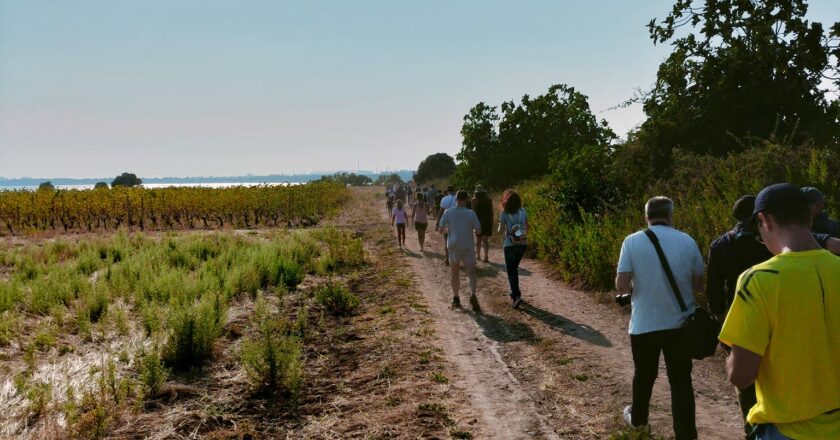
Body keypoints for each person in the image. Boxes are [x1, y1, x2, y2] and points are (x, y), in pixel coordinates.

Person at [720, 183, 840, 440]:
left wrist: (730, 355)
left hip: (787, 430)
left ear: (764, 220)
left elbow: (741, 375)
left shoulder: (760, 279)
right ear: (809, 216)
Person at [616, 196, 703, 440]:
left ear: (647, 216)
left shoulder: (631, 241)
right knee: (680, 380)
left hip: (644, 323)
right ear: (671, 215)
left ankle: (639, 421)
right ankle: (685, 434)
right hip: (680, 324)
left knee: (644, 375)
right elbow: (698, 285)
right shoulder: (687, 241)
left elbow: (622, 285)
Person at [438, 190, 481, 309]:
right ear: (467, 200)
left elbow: (441, 230)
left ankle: (456, 299)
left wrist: (449, 230)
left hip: (454, 246)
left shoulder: (448, 212)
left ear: (456, 199)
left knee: (455, 273)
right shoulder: (471, 213)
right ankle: (473, 295)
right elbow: (478, 231)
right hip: (468, 246)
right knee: (471, 273)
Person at [498, 190, 527, 308]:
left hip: (509, 245)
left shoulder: (504, 213)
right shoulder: (523, 212)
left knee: (511, 271)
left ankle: (516, 295)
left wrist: (501, 227)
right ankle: (515, 293)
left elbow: (500, 231)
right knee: (514, 268)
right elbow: (527, 227)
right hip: (522, 244)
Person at [436, 185, 458, 265]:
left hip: (446, 223)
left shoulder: (444, 199)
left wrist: (437, 222)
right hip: (456, 222)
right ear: (454, 190)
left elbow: (441, 211)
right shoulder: (457, 198)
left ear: (447, 191)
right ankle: (455, 259)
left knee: (446, 240)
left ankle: (447, 258)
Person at [472, 185, 493, 263]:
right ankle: (486, 257)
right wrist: (492, 220)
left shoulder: (474, 200)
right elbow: (492, 211)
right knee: (485, 240)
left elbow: (473, 212)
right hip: (487, 220)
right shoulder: (489, 199)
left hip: (478, 220)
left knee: (478, 239)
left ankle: (478, 256)